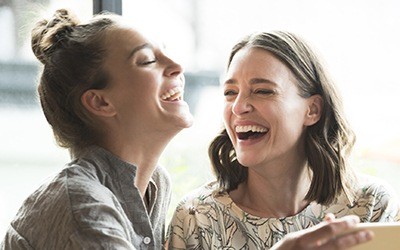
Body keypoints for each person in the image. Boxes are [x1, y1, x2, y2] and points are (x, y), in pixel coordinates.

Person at [167, 31, 400, 249]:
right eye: (230, 92)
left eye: (262, 91)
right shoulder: (196, 217)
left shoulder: (371, 206)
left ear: (312, 110)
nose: (238, 107)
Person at [0, 8, 193, 249]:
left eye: (165, 52)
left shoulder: (155, 184)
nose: (177, 66)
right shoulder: (82, 206)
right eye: (147, 60)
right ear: (101, 102)